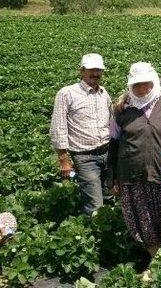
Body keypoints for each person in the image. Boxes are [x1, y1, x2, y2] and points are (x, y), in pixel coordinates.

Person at [108, 62, 161, 256]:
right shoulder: (122, 110)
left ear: (154, 82)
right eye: (137, 85)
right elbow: (113, 143)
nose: (142, 89)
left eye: (146, 84)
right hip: (133, 175)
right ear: (130, 86)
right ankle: (155, 260)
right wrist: (111, 176)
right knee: (144, 222)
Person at [49, 53, 113, 215]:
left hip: (107, 152)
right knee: (95, 205)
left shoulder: (104, 93)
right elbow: (58, 127)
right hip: (85, 157)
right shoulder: (67, 93)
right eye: (91, 70)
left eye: (98, 70)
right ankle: (95, 236)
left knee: (110, 196)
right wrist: (64, 160)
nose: (95, 74)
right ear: (82, 71)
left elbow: (112, 121)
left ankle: (111, 235)